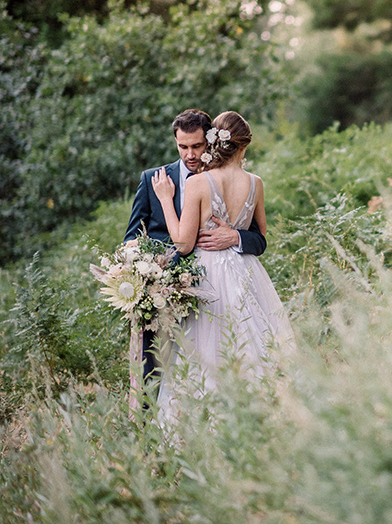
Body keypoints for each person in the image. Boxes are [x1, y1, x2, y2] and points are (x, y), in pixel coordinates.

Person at [150, 110, 293, 424]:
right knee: (250, 343)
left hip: (209, 275)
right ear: (243, 147)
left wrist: (164, 199)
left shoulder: (200, 183)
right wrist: (236, 237)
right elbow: (261, 236)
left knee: (204, 350)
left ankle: (204, 425)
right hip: (246, 272)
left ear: (213, 141)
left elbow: (184, 243)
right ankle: (260, 416)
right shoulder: (256, 183)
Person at [124, 109, 268, 395]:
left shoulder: (212, 180)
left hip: (218, 286)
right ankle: (147, 431)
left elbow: (259, 238)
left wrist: (235, 236)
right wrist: (146, 274)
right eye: (183, 147)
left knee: (215, 358)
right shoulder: (154, 179)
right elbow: (132, 238)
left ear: (210, 141)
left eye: (197, 146)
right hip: (164, 291)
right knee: (155, 368)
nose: (190, 154)